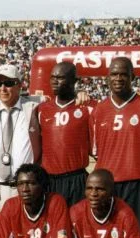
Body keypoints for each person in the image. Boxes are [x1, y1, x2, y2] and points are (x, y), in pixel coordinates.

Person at [90, 57, 140, 238]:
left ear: (133, 76)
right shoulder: (99, 110)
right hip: (108, 187)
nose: (118, 78)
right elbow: (96, 152)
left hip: (138, 185)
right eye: (114, 74)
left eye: (123, 74)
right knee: (111, 235)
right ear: (107, 78)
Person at [0, 64, 42, 210]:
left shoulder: (33, 107)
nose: (3, 88)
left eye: (8, 83)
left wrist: (81, 96)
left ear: (20, 85)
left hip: (25, 189)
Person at [36, 62, 93, 206]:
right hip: (49, 180)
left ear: (74, 81)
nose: (55, 81)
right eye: (52, 77)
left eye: (60, 78)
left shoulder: (86, 108)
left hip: (76, 179)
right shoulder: (41, 109)